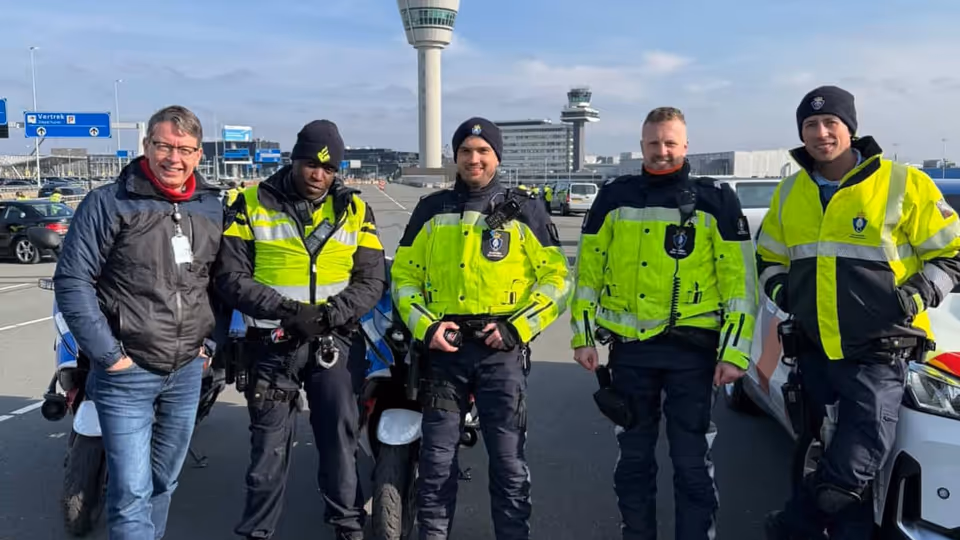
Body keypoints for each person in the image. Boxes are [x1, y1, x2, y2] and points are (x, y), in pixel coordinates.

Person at [761, 87, 960, 539]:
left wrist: (914, 296)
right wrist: (784, 291)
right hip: (812, 351)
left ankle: (793, 526)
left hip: (880, 351)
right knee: (814, 456)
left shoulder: (903, 182)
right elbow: (769, 257)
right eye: (810, 125)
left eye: (831, 122)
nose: (821, 132)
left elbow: (952, 254)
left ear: (850, 127)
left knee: (850, 471)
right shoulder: (791, 191)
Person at [570, 106, 758, 540]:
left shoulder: (716, 200)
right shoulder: (614, 197)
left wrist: (734, 352)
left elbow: (739, 284)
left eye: (670, 142)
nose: (662, 151)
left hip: (694, 355)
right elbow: (588, 273)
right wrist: (582, 336)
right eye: (653, 143)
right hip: (632, 353)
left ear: (686, 145)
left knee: (692, 463)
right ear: (641, 146)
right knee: (633, 462)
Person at [392, 117, 572, 540]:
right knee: (435, 466)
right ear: (455, 156)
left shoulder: (525, 208)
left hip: (500, 356)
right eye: (466, 151)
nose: (474, 159)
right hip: (444, 353)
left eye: (483, 151)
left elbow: (560, 281)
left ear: (496, 157)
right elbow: (403, 277)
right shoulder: (430, 209)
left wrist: (518, 327)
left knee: (509, 464)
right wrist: (427, 327)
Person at [53, 105, 222, 539]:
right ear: (146, 145)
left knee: (164, 482)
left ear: (199, 155)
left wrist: (210, 345)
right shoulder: (108, 203)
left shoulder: (210, 209)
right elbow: (73, 281)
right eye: (164, 145)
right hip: (127, 372)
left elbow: (220, 284)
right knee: (130, 492)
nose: (174, 158)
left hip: (186, 372)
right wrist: (109, 356)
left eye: (185, 149)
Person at [216, 120, 385, 540]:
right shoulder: (249, 203)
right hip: (271, 345)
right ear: (295, 160)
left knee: (340, 440)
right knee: (268, 448)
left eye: (328, 169)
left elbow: (372, 280)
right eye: (310, 164)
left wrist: (328, 315)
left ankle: (347, 527)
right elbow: (229, 276)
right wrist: (287, 309)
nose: (318, 175)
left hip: (334, 342)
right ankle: (257, 531)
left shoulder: (357, 210)